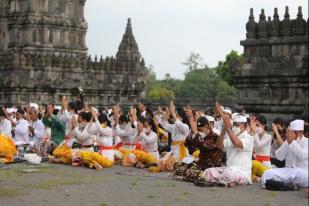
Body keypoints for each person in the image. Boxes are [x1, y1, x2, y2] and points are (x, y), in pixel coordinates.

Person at [201, 102, 254, 187]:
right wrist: (223, 131)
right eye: (234, 124)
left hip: (242, 172)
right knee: (207, 172)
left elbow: (237, 143)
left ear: (243, 125)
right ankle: (227, 182)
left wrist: (229, 128)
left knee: (228, 174)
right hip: (229, 169)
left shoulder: (249, 138)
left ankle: (225, 181)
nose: (235, 126)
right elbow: (219, 145)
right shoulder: (231, 135)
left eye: (237, 124)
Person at [261, 119, 308, 189]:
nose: (293, 135)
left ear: (302, 132)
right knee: (267, 173)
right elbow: (279, 157)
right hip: (288, 171)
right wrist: (287, 143)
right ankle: (286, 185)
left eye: (295, 132)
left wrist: (292, 142)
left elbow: (303, 156)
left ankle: (279, 184)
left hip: (303, 173)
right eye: (292, 132)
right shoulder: (288, 141)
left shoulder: (307, 142)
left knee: (296, 172)